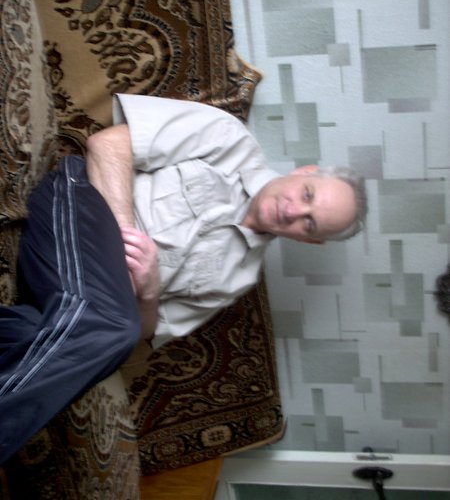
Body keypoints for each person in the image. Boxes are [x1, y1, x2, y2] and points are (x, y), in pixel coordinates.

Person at [0, 94, 367, 463]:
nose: (293, 211)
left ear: (309, 240)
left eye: (309, 222)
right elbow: (107, 145)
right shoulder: (227, 139)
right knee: (117, 331)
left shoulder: (237, 278)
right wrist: (123, 238)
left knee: (36, 333)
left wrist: (149, 289)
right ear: (304, 172)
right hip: (75, 206)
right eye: (306, 195)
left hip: (82, 296)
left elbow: (148, 331)